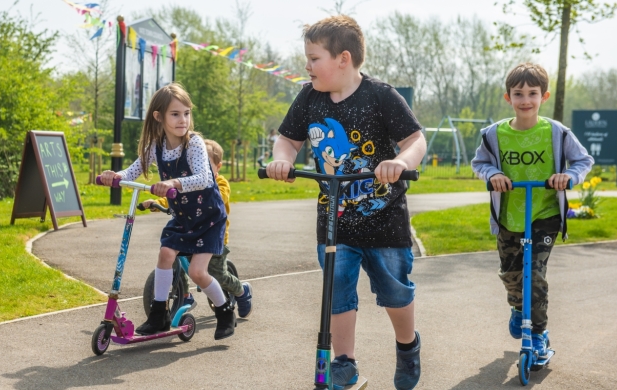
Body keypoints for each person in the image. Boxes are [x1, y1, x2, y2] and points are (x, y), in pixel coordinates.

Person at [264, 15, 426, 390]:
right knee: (336, 291)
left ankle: (407, 346)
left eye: (314, 57)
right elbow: (287, 140)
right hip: (335, 219)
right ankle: (344, 362)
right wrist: (283, 159)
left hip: (384, 219)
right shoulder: (308, 97)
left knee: (394, 291)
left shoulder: (381, 96)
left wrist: (401, 163)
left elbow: (415, 140)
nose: (307, 66)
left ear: (343, 59)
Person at [471, 62, 593, 358]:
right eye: (518, 94)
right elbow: (480, 164)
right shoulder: (493, 134)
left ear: (544, 96)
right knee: (510, 274)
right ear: (507, 98)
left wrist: (568, 177)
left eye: (532, 93)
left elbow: (582, 161)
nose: (525, 100)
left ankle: (537, 335)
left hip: (544, 215)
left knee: (534, 274)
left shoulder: (557, 132)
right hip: (509, 217)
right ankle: (517, 306)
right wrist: (493, 175)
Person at [99, 83, 236, 340]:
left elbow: (205, 178)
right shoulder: (155, 147)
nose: (182, 119)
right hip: (183, 217)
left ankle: (225, 309)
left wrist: (173, 183)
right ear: (159, 117)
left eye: (186, 113)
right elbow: (131, 172)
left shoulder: (193, 144)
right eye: (175, 114)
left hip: (207, 217)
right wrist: (114, 176)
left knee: (197, 272)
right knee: (165, 253)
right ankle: (159, 314)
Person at [142, 139, 254, 318]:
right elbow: (173, 197)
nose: (199, 168)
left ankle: (241, 291)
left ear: (218, 166)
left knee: (217, 274)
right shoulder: (188, 181)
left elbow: (219, 197)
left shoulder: (221, 183)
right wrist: (157, 203)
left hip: (212, 237)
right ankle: (185, 295)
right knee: (174, 255)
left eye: (205, 164)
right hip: (189, 231)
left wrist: (203, 192)